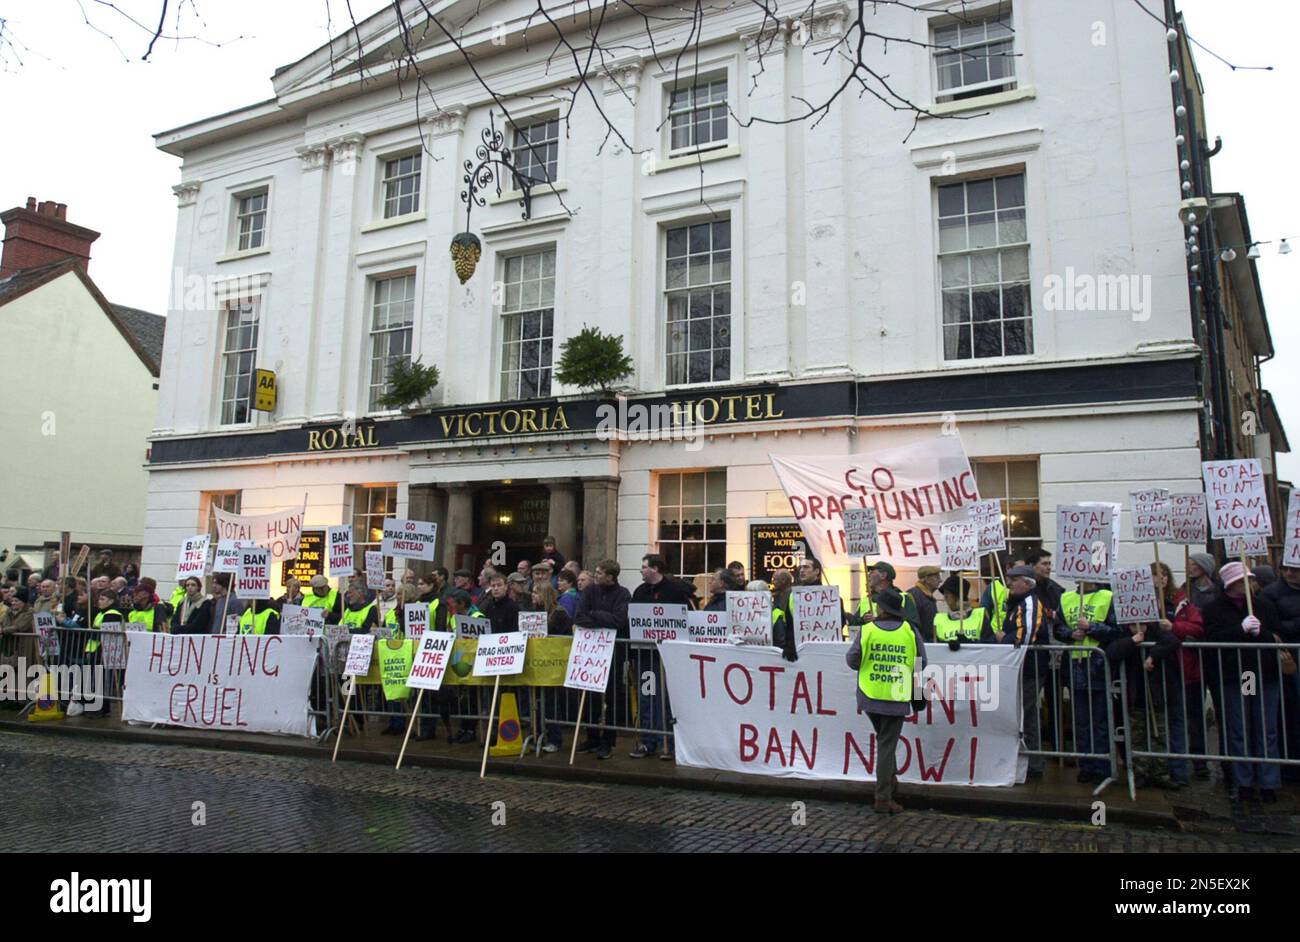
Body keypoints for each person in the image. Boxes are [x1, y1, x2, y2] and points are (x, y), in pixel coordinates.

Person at [1202, 562, 1283, 806]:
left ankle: (1268, 782)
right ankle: (1244, 781)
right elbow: (1213, 640)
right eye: (1244, 580)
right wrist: (1240, 630)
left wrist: (1262, 634)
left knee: (1265, 728)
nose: (1250, 583)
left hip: (1263, 674)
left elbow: (1277, 637)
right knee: (1240, 729)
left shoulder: (1264, 606)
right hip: (1234, 675)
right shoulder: (1215, 609)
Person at [845, 586, 927, 813]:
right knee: (886, 746)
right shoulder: (910, 631)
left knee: (884, 742)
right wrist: (918, 692)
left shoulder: (868, 629)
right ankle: (883, 796)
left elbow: (852, 660)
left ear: (882, 608)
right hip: (897, 696)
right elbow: (921, 662)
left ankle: (889, 783)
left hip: (870, 694)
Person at [990, 564, 1055, 777]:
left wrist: (1003, 640)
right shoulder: (1018, 603)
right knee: (1024, 712)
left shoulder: (1029, 604)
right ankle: (1027, 759)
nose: (1009, 583)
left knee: (1026, 713)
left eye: (1014, 579)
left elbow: (1024, 637)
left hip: (1028, 668)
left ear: (1027, 583)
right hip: (1021, 668)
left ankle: (1033, 762)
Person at [1056, 576, 1123, 784]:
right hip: (1075, 668)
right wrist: (1070, 633)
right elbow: (1057, 629)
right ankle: (1086, 765)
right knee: (1081, 722)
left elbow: (1117, 630)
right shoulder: (1066, 598)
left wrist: (1092, 627)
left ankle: (1103, 766)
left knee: (1101, 722)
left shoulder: (1108, 597)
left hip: (1098, 668)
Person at [574, 560, 632, 759]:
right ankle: (592, 737)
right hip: (591, 651)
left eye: (599, 573)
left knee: (612, 698)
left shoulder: (623, 594)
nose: (596, 575)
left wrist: (595, 614)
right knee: (590, 696)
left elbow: (619, 621)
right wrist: (602, 618)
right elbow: (579, 617)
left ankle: (608, 741)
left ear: (610, 576)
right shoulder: (590, 592)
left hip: (614, 652)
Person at [1262, 564, 1300, 781]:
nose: (1289, 573)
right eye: (1285, 569)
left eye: (1295, 569)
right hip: (1249, 676)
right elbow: (1272, 627)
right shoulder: (1272, 594)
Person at [854, 562, 919, 626]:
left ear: (883, 575)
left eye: (872, 572)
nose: (868, 575)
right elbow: (854, 626)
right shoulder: (865, 600)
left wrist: (879, 622)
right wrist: (862, 620)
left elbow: (913, 625)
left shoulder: (904, 597)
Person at [933, 574, 986, 645]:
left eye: (948, 594)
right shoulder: (939, 619)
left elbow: (990, 644)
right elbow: (933, 647)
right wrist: (946, 645)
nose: (945, 597)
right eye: (944, 594)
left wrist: (970, 643)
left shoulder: (980, 616)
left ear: (958, 596)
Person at [909, 566, 941, 642]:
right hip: (922, 643)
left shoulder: (924, 595)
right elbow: (912, 623)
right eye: (937, 577)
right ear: (926, 579)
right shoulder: (914, 595)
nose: (940, 580)